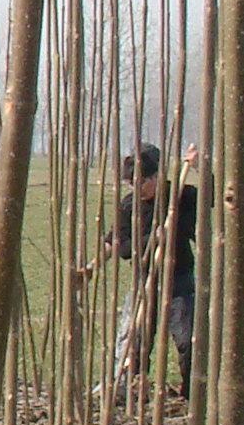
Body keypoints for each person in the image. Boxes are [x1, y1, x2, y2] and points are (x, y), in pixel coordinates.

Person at [85, 143, 200, 397]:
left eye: (141, 182)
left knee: (188, 340)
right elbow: (119, 245)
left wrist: (198, 165)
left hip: (179, 281)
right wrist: (93, 266)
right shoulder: (130, 206)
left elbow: (213, 195)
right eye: (131, 184)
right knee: (132, 340)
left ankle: (192, 394)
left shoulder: (180, 196)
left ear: (157, 176)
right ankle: (128, 388)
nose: (136, 189)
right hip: (144, 281)